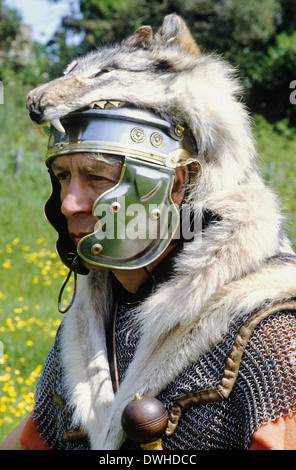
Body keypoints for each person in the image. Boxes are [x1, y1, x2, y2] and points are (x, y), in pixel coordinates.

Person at [2, 14, 296, 451]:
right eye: (64, 176)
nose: (70, 203)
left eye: (98, 177)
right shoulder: (89, 326)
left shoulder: (270, 336)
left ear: (176, 184)